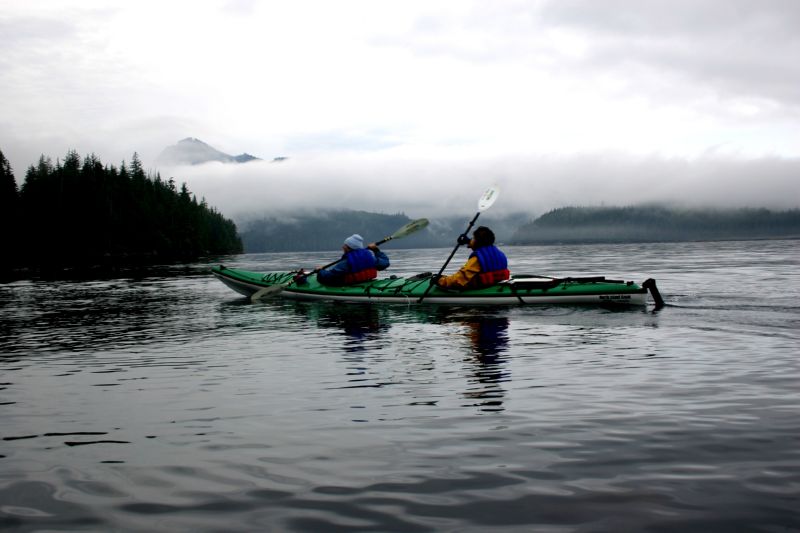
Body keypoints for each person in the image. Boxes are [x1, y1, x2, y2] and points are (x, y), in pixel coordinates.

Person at [433, 226, 509, 290]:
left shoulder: (477, 259)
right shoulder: (499, 253)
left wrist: (440, 281)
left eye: (474, 238)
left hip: (480, 287)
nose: (472, 240)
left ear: (477, 241)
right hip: (495, 284)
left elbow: (458, 280)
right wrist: (467, 241)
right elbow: (479, 244)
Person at [316, 233, 390, 286]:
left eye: (345, 245)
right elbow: (385, 263)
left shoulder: (346, 262)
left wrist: (320, 271)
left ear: (349, 248)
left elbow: (328, 277)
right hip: (366, 282)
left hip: (351, 285)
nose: (343, 247)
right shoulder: (371, 258)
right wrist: (376, 250)